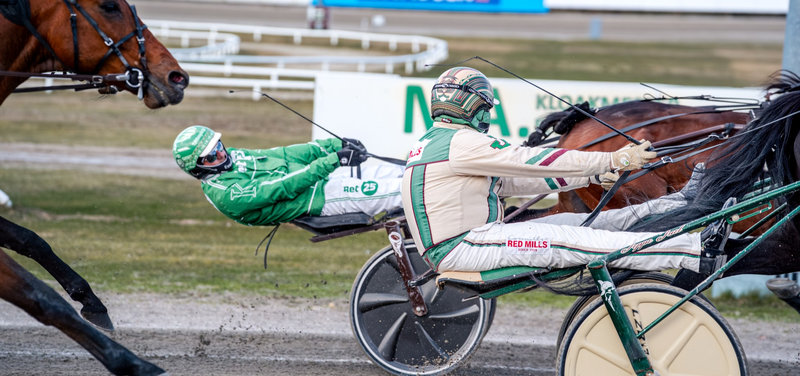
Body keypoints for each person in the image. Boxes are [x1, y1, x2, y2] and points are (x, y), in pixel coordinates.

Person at [401, 67, 728, 275]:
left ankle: (677, 206)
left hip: (472, 241)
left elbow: (520, 180)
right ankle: (693, 253)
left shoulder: (440, 143)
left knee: (589, 223)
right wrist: (613, 161)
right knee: (575, 240)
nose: (486, 116)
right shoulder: (461, 143)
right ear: (470, 106)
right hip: (465, 247)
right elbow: (535, 161)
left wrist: (592, 175)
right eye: (485, 108)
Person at [172, 125, 404, 226]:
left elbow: (283, 155)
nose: (222, 153)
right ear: (199, 168)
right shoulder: (227, 195)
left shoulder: (232, 156)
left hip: (326, 179)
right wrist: (334, 159)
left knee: (406, 173)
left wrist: (333, 145)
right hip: (320, 201)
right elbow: (283, 186)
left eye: (218, 145)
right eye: (212, 155)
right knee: (403, 192)